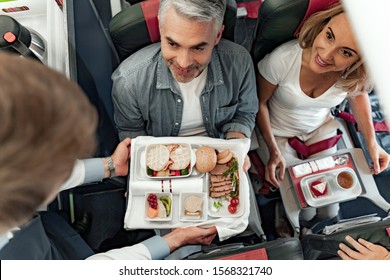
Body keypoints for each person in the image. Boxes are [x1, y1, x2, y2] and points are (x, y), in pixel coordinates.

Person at [0, 52, 216, 260]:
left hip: (36, 233)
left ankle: (71, 236)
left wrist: (111, 166)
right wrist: (174, 240)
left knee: (64, 240)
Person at [255, 2, 390, 223]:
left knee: (329, 207)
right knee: (305, 204)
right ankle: (286, 215)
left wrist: (372, 143)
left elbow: (358, 95)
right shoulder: (283, 59)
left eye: (346, 52)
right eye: (329, 36)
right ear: (322, 25)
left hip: (319, 129)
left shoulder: (351, 75)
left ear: (359, 61)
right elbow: (259, 104)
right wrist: (272, 150)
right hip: (276, 132)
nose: (326, 55)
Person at [112, 0, 258, 141]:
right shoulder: (128, 82)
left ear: (217, 36)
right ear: (160, 28)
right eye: (172, 44)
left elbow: (245, 113)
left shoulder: (240, 63)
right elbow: (133, 137)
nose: (184, 63)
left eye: (198, 48)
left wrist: (235, 149)